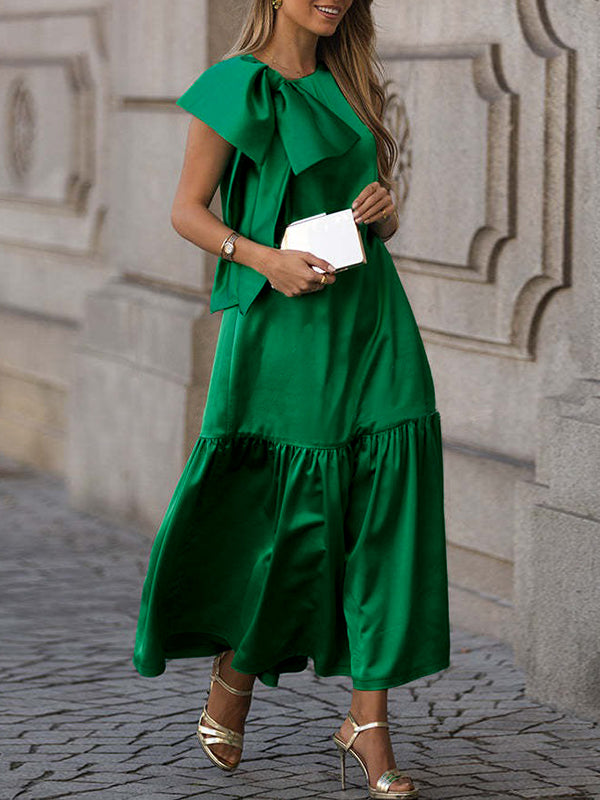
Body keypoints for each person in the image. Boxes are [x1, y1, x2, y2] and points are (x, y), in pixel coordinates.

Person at [132, 0, 450, 797]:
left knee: (387, 504)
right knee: (289, 516)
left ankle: (368, 721)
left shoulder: (352, 81)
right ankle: (237, 667)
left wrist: (383, 210)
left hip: (371, 318)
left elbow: (363, 209)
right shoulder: (237, 84)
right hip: (283, 330)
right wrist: (263, 259)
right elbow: (186, 212)